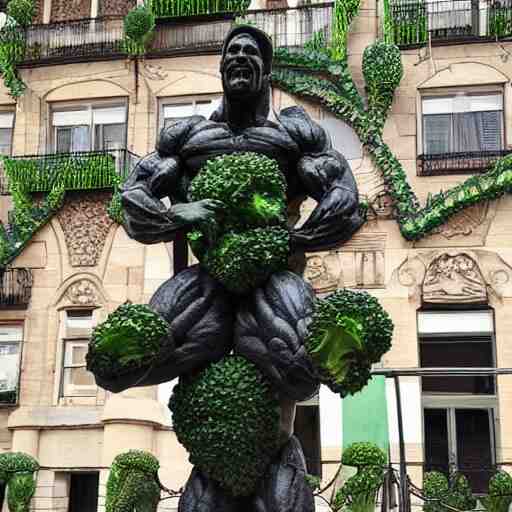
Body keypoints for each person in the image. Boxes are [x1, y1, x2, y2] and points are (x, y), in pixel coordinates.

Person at [96, 25, 363, 512]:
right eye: (232, 51)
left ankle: (338, 350)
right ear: (221, 66)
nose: (240, 57)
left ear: (267, 68)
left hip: (274, 281)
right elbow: (132, 198)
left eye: (251, 52)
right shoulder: (189, 135)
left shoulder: (292, 132)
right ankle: (124, 355)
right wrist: (179, 213)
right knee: (140, 353)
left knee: (296, 371)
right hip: (208, 284)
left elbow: (344, 198)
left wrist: (295, 237)